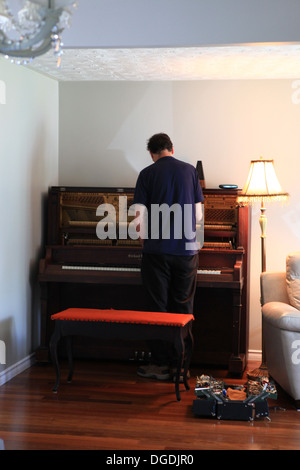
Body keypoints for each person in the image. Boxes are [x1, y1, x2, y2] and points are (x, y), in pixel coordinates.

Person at [133, 133, 204, 380]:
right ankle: (180, 366)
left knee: (157, 308)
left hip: (157, 251)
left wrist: (145, 242)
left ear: (152, 153)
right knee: (183, 306)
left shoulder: (147, 173)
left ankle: (160, 365)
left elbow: (139, 216)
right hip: (186, 250)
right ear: (171, 149)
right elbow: (197, 215)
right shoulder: (190, 172)